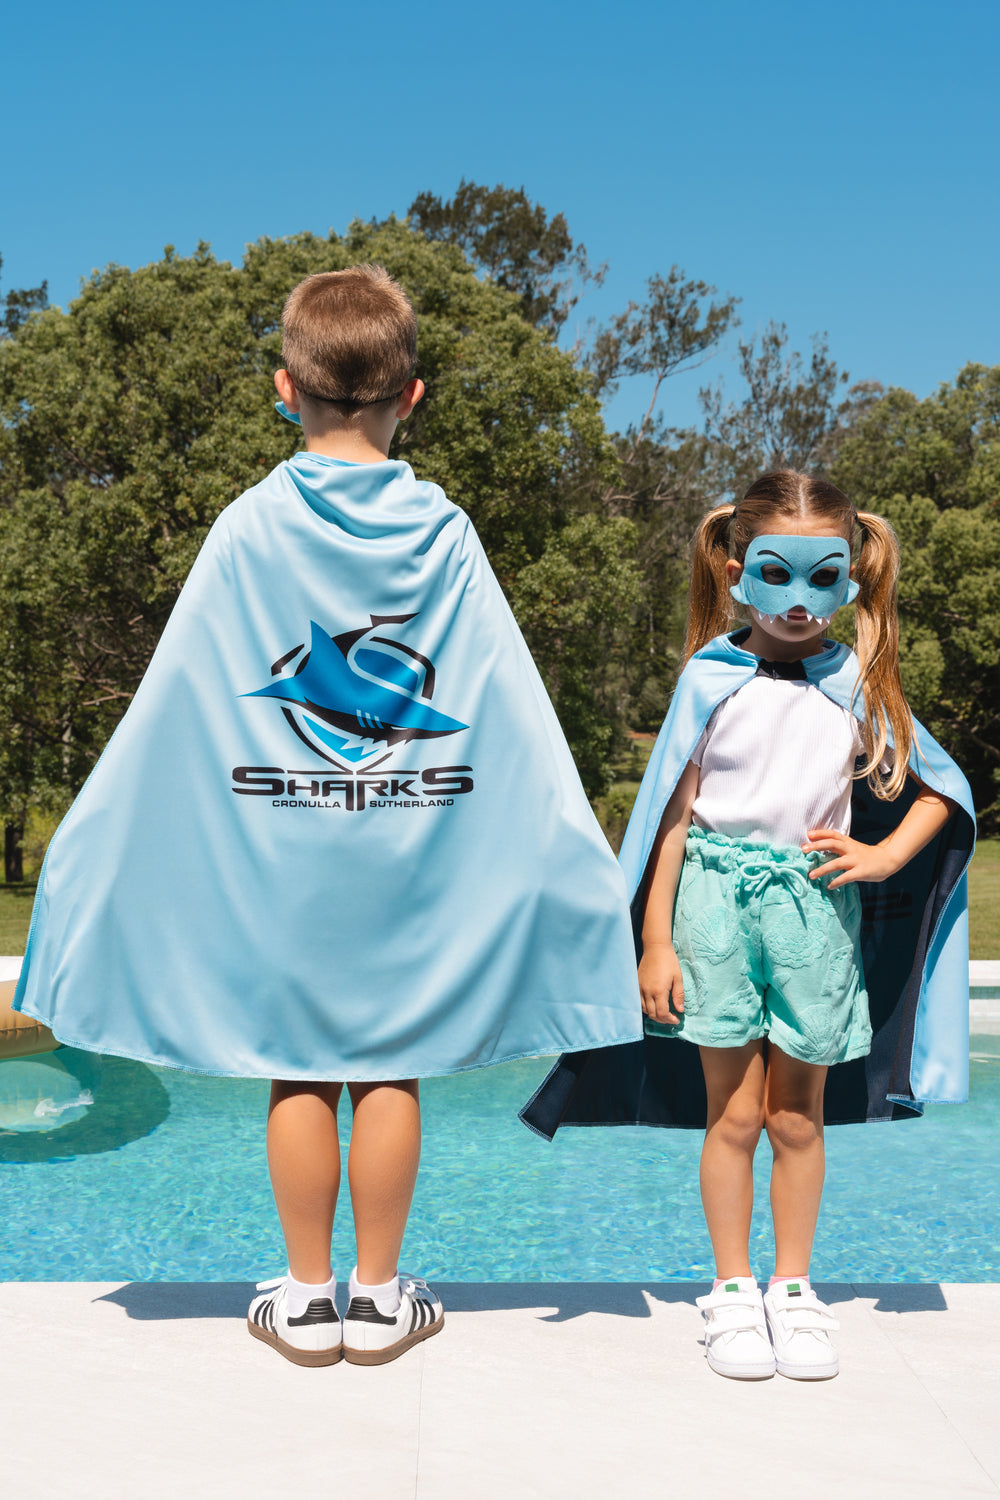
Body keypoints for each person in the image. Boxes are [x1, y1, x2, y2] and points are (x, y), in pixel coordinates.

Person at [14, 264, 642, 1368]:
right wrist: (570, 851)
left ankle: (306, 1300)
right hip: (410, 860)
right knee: (390, 1066)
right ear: (413, 397)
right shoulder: (445, 532)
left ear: (284, 390)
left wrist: (92, 840)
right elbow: (504, 706)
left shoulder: (247, 529)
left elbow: (180, 704)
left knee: (299, 1067)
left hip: (282, 862)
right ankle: (382, 1297)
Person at [521, 469, 975, 1381]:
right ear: (736, 572)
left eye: (823, 577)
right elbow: (671, 818)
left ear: (851, 577)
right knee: (731, 1115)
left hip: (815, 914)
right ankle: (732, 1290)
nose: (800, 601)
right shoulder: (709, 678)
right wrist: (655, 940)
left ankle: (793, 1289)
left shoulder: (858, 682)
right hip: (711, 910)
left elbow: (941, 788)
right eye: (776, 574)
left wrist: (885, 857)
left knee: (796, 1117)